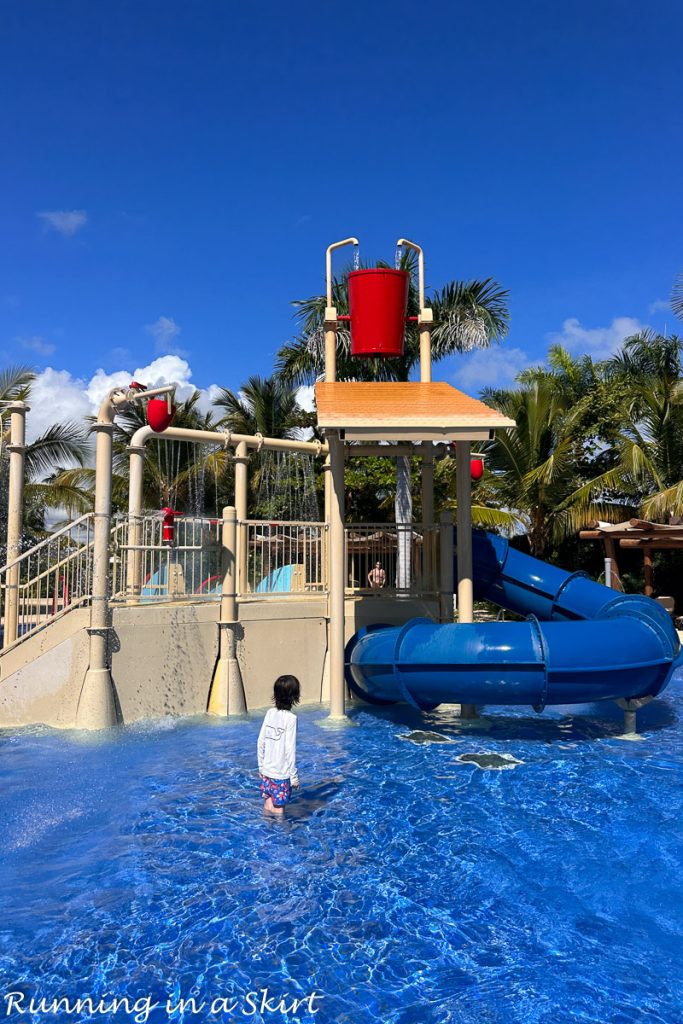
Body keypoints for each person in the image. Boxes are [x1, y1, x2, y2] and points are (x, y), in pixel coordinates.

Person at [257, 674, 300, 814]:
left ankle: (265, 831)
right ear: (295, 696)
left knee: (268, 804)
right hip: (280, 774)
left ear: (275, 694)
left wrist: (261, 767)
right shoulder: (291, 719)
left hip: (266, 772)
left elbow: (260, 741)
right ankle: (281, 833)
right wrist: (293, 777)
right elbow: (290, 750)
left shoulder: (269, 713)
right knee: (279, 809)